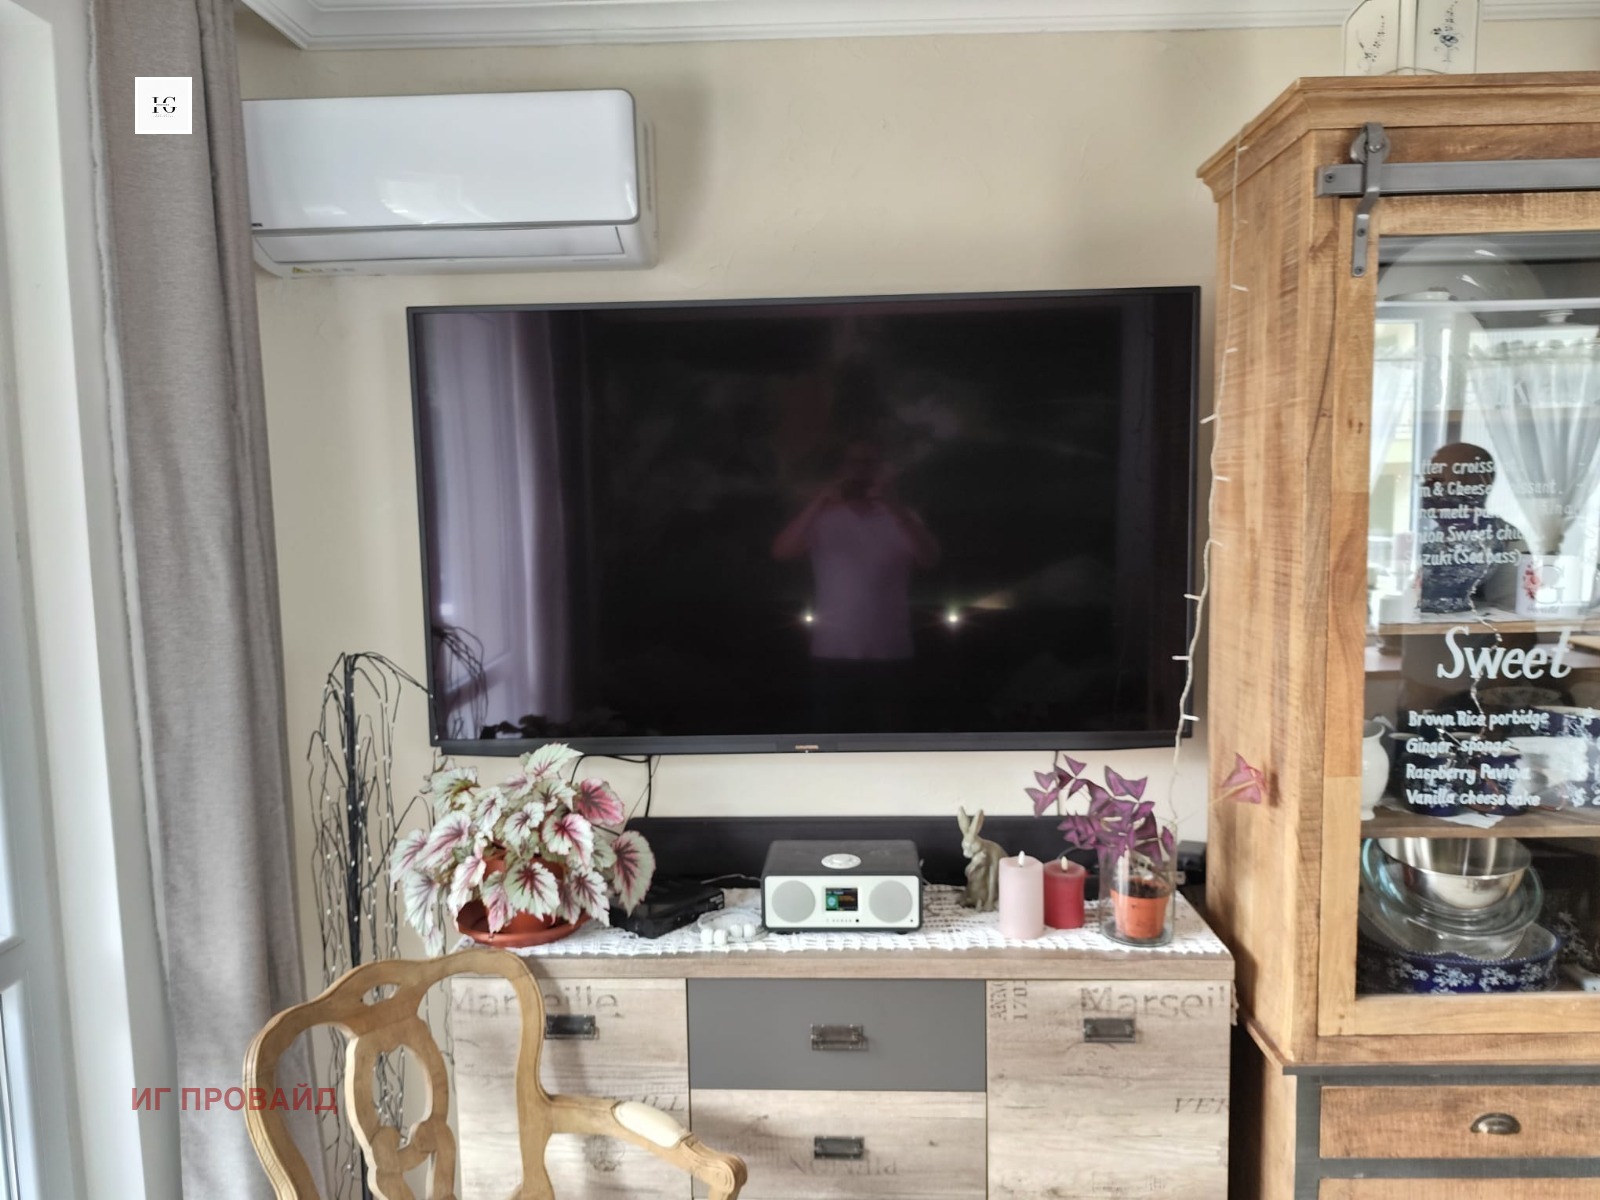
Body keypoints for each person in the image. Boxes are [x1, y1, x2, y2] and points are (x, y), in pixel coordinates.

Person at [772, 439, 940, 731]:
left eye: (869, 463)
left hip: (890, 650)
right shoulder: (824, 519)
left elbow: (929, 559)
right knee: (831, 740)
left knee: (891, 740)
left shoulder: (903, 517)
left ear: (882, 470)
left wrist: (891, 504)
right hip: (832, 650)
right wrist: (819, 501)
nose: (861, 470)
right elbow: (781, 552)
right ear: (842, 469)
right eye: (854, 463)